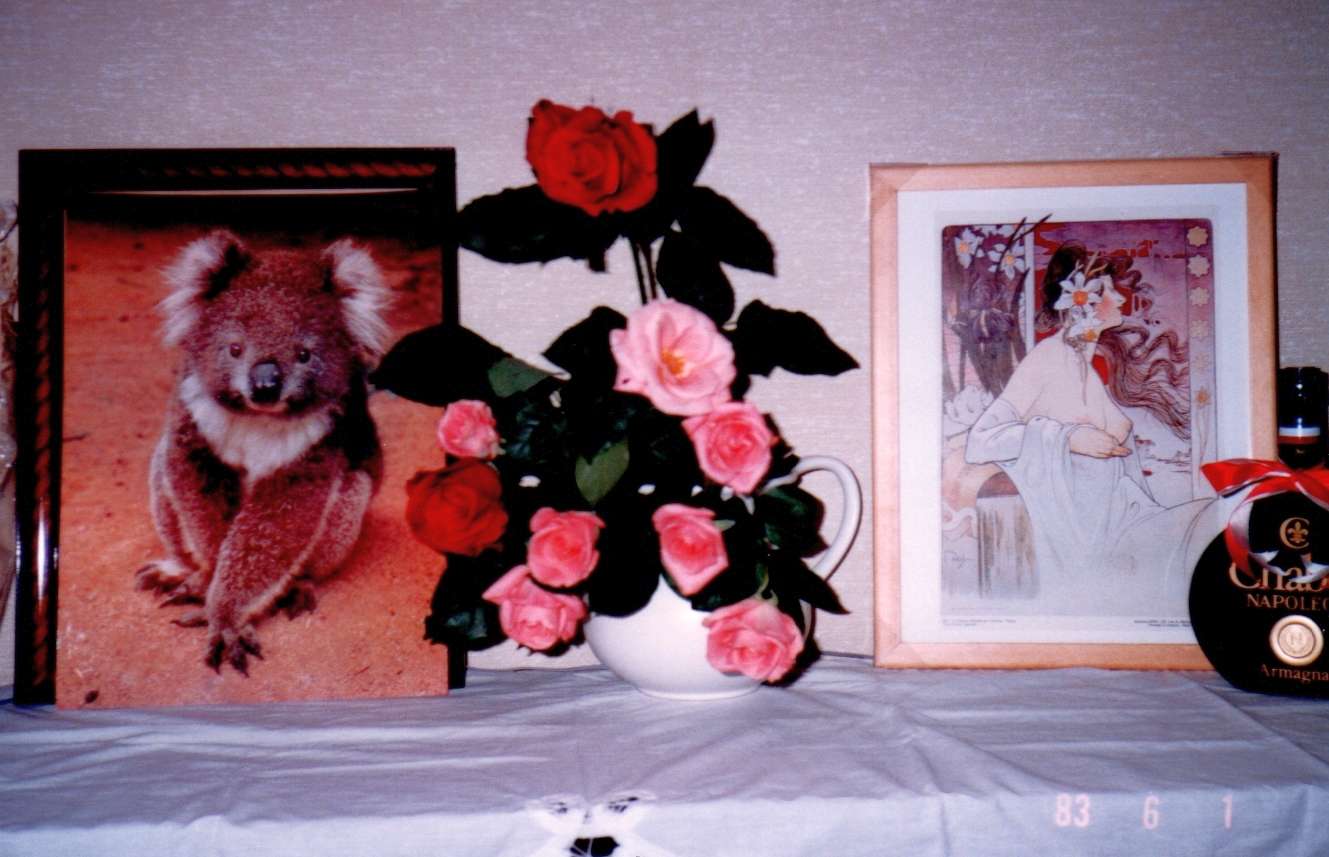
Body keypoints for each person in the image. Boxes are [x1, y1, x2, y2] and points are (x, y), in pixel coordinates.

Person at [964, 242, 1215, 614]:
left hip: (1122, 520)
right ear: (1081, 302)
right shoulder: (1048, 358)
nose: (1120, 298)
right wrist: (1069, 439)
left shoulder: (1084, 366)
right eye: (1108, 290)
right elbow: (980, 440)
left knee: (1212, 522)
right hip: (1083, 535)